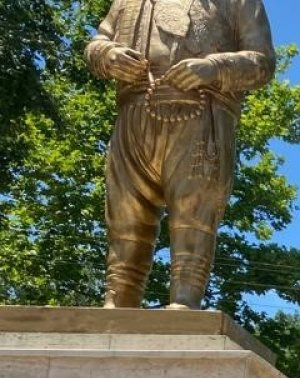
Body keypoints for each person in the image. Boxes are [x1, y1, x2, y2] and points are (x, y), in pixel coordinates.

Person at [85, 0, 275, 309]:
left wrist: (215, 68)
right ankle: (117, 302)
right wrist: (108, 56)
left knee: (194, 211)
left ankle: (184, 302)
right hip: (134, 115)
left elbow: (262, 62)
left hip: (202, 115)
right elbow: (98, 41)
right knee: (125, 215)